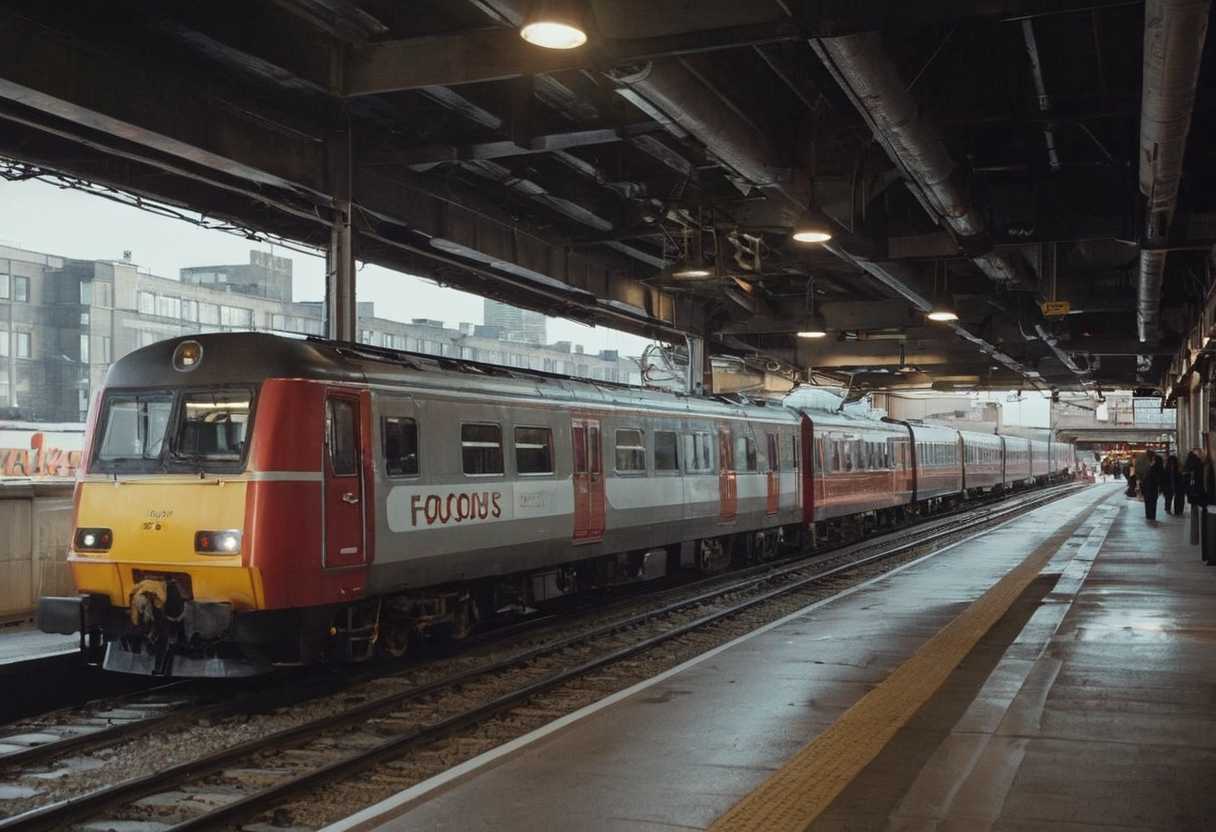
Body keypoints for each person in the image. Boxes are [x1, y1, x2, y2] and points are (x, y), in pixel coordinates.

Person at [1142, 452, 1162, 523]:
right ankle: (1151, 516)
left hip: (1150, 487)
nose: (1152, 461)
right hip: (1151, 488)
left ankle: (1149, 516)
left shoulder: (1153, 468)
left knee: (1149, 502)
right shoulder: (1154, 468)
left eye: (1154, 460)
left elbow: (1151, 478)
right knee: (1152, 502)